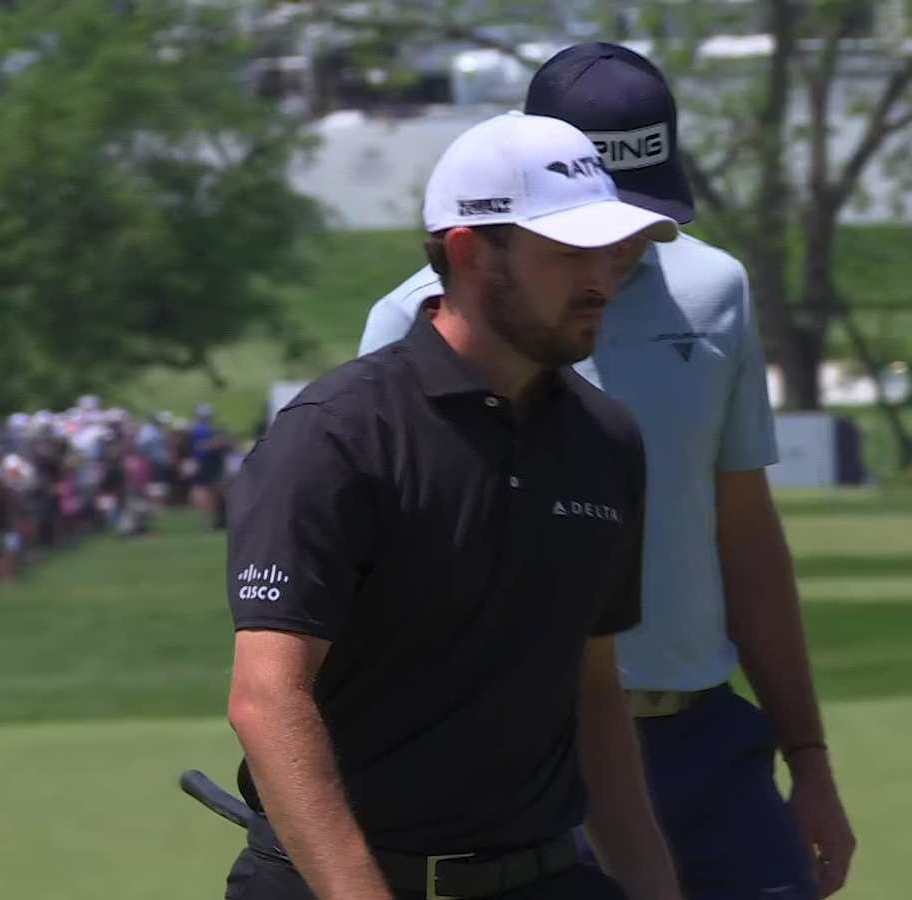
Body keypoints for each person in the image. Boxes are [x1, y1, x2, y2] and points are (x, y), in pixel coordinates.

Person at [359, 43, 855, 900]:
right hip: (523, 762)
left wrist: (807, 757)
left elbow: (744, 533)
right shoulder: (416, 322)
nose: (617, 248)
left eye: (642, 215)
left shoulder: (717, 293)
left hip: (705, 744)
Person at [223, 112, 684, 900]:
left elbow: (593, 686)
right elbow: (267, 698)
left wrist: (650, 885)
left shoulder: (607, 441)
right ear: (471, 251)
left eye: (610, 250)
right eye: (570, 251)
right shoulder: (338, 435)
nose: (603, 278)